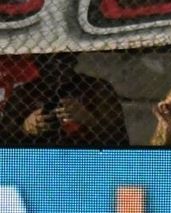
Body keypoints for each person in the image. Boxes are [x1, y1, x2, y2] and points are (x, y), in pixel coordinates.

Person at [0, 52, 129, 147]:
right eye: (48, 62)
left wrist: (88, 119)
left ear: (72, 61)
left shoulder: (96, 88)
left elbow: (119, 137)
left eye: (63, 61)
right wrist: (26, 127)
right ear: (39, 64)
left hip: (87, 152)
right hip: (40, 154)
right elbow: (5, 136)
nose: (57, 68)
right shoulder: (25, 92)